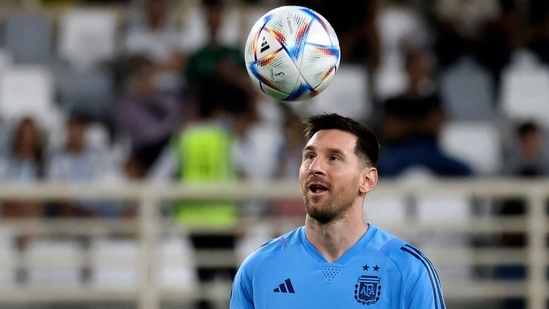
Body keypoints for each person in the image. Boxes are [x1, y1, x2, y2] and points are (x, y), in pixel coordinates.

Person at [230, 113, 446, 308]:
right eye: (309, 156)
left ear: (367, 180)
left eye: (334, 158)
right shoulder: (258, 268)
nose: (315, 167)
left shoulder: (408, 269)